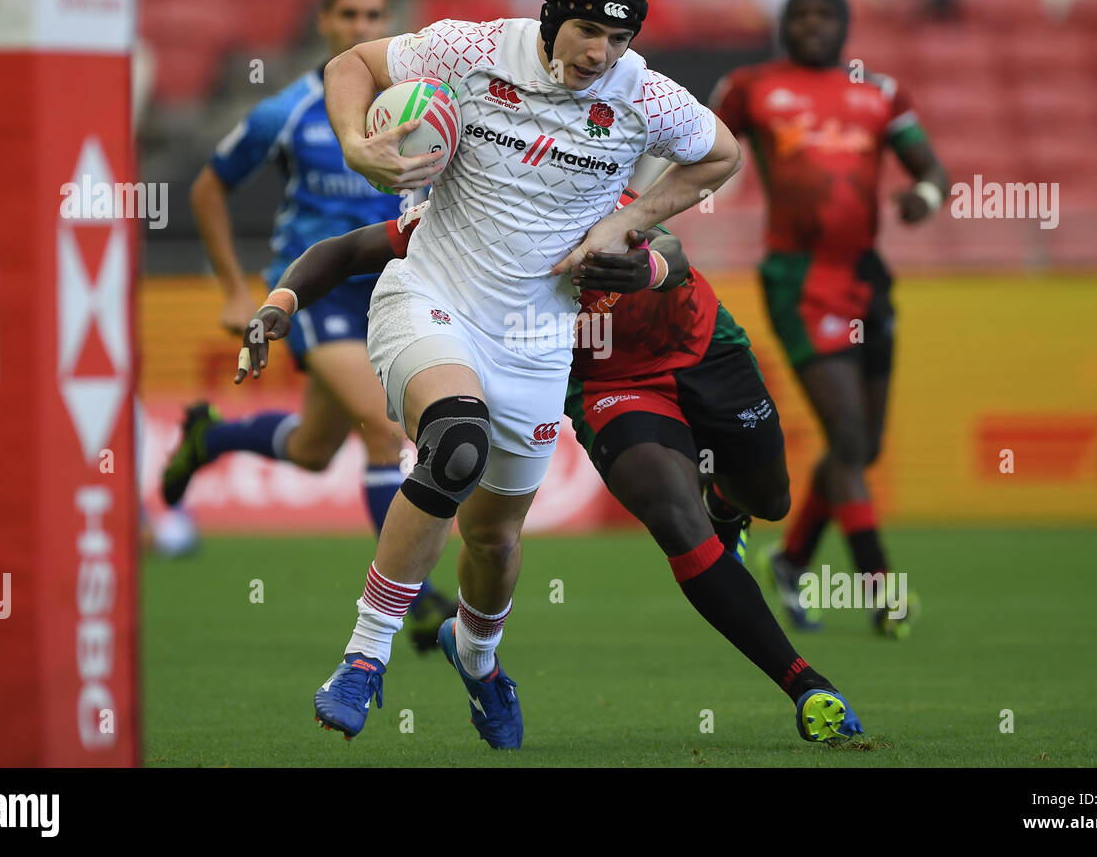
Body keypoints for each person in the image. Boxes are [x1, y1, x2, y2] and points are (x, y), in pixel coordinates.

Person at [307, 0, 742, 748]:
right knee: (455, 442)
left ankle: (477, 656)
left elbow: (722, 155)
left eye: (616, 40)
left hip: (538, 339)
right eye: (584, 32)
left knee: (495, 538)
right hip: (432, 296)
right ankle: (363, 657)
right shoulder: (473, 50)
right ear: (551, 20)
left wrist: (627, 223)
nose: (597, 54)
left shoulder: (642, 93)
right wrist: (354, 143)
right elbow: (352, 65)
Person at [236, 189, 864, 743]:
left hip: (702, 350)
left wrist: (643, 266)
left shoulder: (594, 195)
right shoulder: (472, 215)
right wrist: (281, 302)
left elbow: (670, 251)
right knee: (669, 516)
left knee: (768, 498)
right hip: (605, 388)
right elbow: (350, 251)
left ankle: (727, 506)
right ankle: (807, 685)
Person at [160, 0, 455, 649]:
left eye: (373, 17)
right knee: (385, 436)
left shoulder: (421, 110)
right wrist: (236, 288)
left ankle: (211, 437)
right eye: (348, 16)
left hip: (388, 292)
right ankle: (414, 601)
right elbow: (208, 188)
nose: (360, 28)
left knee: (315, 449)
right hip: (315, 292)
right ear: (324, 20)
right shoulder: (286, 110)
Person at [710, 0, 948, 635]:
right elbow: (697, 148)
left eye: (825, 13)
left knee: (862, 445)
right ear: (786, 23)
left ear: (844, 25)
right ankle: (882, 592)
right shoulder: (750, 87)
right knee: (844, 436)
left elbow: (932, 171)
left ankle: (789, 562)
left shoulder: (880, 93)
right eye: (802, 12)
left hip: (868, 276)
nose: (813, 23)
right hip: (799, 277)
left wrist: (923, 200)